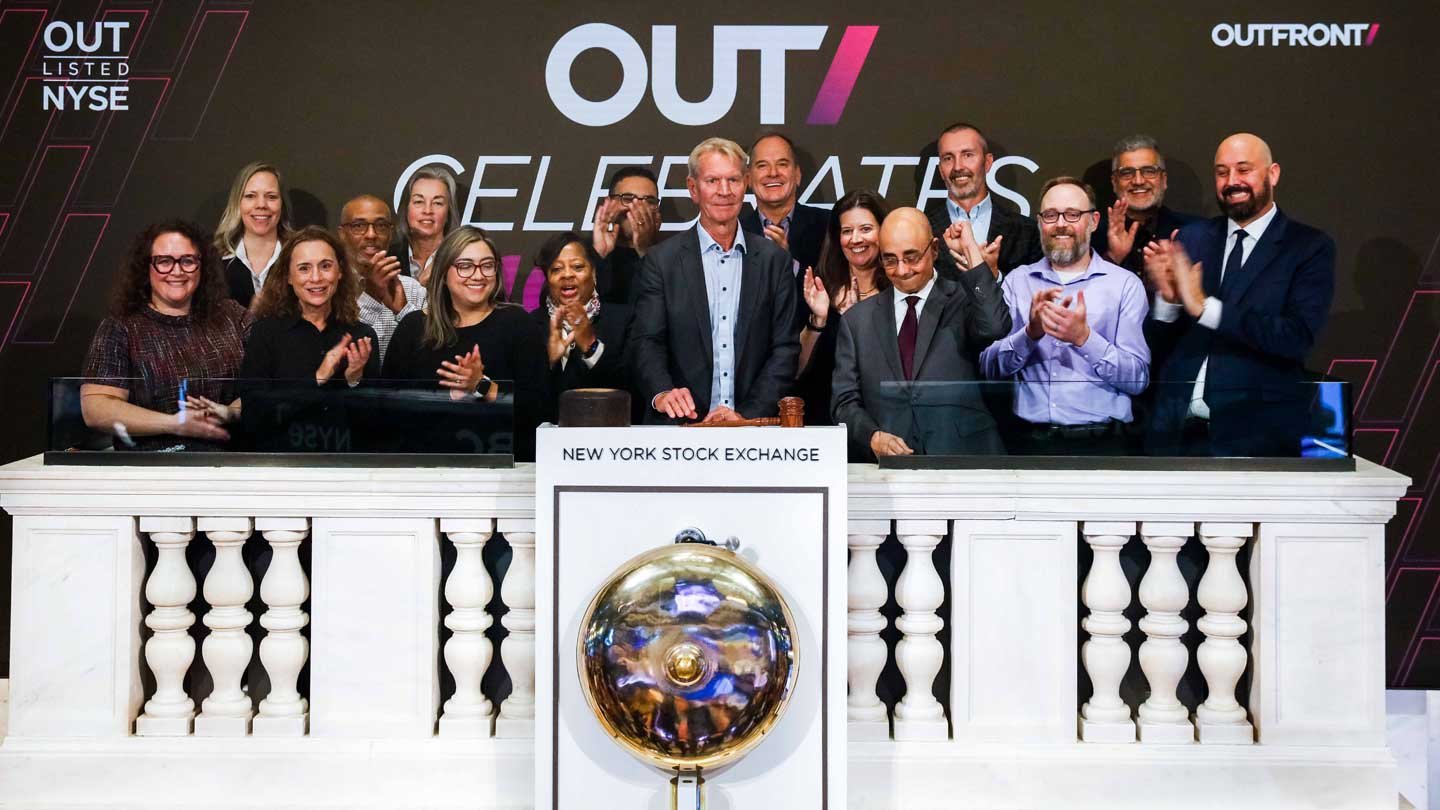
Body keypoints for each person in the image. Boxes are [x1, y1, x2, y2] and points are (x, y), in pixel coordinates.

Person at [1142, 133, 1336, 456]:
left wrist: (1205, 307)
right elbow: (1158, 347)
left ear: (1272, 173)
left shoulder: (1308, 247)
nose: (1232, 181)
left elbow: (1295, 337)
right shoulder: (1193, 238)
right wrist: (1168, 302)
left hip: (1255, 438)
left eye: (1243, 170)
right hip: (1173, 435)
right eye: (1222, 172)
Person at [630, 137, 799, 424]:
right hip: (680, 427)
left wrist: (744, 416)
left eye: (733, 180)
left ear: (745, 183)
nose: (724, 191)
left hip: (753, 432)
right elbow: (646, 342)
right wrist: (663, 393)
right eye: (713, 181)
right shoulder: (662, 261)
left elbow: (785, 349)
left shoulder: (774, 260)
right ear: (693, 189)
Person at [980, 177, 1149, 454]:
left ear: (1094, 221)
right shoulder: (1018, 282)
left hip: (1104, 445)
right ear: (1039, 222)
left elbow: (1137, 379)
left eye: (1072, 214)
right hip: (1030, 444)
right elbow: (990, 368)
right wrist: (1029, 334)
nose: (1060, 224)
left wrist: (1085, 339)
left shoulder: (1124, 284)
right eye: (1050, 215)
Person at [832, 208, 1011, 459]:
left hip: (965, 461)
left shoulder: (962, 300)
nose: (902, 270)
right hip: (892, 468)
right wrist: (872, 436)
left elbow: (996, 325)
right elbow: (844, 402)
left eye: (912, 257)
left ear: (935, 249)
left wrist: (971, 251)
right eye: (890, 260)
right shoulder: (857, 321)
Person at [80, 220, 250, 450]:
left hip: (232, 463)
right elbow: (96, 408)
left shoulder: (233, 316)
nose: (177, 271)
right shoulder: (121, 327)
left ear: (203, 266)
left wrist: (231, 412)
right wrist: (175, 424)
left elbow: (274, 383)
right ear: (146, 266)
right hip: (151, 470)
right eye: (164, 261)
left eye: (188, 261)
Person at [382, 226, 546, 459]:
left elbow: (538, 411)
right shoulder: (413, 328)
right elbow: (388, 411)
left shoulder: (518, 324)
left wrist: (482, 386)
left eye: (487, 265)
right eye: (465, 266)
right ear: (444, 274)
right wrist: (448, 399)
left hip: (503, 470)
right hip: (424, 472)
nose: (478, 275)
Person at [238, 226, 379, 390]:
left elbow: (373, 412)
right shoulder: (265, 334)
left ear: (340, 271)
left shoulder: (362, 336)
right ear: (289, 276)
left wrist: (353, 379)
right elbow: (255, 408)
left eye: (325, 266)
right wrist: (318, 377)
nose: (316, 277)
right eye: (304, 268)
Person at [796, 189, 891, 427]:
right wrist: (818, 321)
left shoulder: (899, 287)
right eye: (847, 231)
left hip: (884, 423)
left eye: (866, 229)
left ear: (885, 231)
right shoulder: (819, 287)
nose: (856, 239)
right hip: (823, 425)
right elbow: (796, 371)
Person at [529, 232, 632, 422]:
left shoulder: (624, 320)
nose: (567, 274)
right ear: (547, 278)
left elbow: (630, 391)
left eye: (577, 267)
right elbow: (528, 403)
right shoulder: (530, 326)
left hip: (609, 440)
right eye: (556, 269)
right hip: (547, 444)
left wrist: (591, 346)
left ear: (593, 273)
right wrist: (549, 363)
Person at [924, 122, 1042, 279]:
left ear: (987, 162)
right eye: (948, 158)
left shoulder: (1027, 231)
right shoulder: (923, 230)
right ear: (940, 170)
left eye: (968, 155)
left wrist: (995, 276)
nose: (958, 167)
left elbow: (1033, 296)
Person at [337, 194, 427, 363]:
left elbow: (432, 351)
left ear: (391, 233)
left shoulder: (412, 289)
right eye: (358, 226)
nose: (371, 235)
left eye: (381, 226)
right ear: (342, 234)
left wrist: (403, 311)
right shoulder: (327, 287)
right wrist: (370, 298)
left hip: (404, 388)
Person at [1092, 135, 1200, 276]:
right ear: (1114, 182)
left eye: (1149, 171)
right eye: (1127, 173)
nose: (1138, 181)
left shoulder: (1194, 232)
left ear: (1164, 180)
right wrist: (1113, 258)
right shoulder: (1092, 236)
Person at [739, 132, 829, 280]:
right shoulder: (736, 233)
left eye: (782, 164)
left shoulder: (827, 226)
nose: (773, 173)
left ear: (797, 175)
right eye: (762, 165)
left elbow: (834, 291)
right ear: (748, 178)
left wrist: (788, 264)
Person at [215, 161, 290, 308]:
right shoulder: (214, 260)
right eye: (250, 196)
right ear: (238, 203)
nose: (261, 204)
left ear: (282, 204)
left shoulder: (300, 256)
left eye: (271, 197)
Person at [591, 166, 662, 305]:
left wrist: (646, 252)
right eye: (628, 198)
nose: (638, 208)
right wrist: (599, 255)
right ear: (608, 202)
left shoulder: (672, 261)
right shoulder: (581, 255)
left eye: (648, 201)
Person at [391, 165, 459, 284]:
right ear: (406, 208)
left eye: (437, 203)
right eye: (419, 202)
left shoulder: (460, 258)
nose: (427, 211)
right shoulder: (389, 258)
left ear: (449, 211)